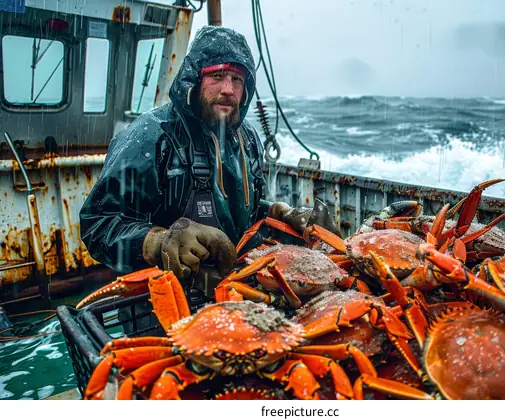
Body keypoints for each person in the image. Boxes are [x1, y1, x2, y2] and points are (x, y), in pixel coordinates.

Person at [79, 26, 327, 296]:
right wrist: (158, 242)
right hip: (163, 303)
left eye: (237, 79)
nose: (228, 89)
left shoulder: (248, 139)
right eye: (217, 76)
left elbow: (242, 216)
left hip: (234, 291)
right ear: (193, 79)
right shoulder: (150, 136)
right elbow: (98, 224)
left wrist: (276, 214)